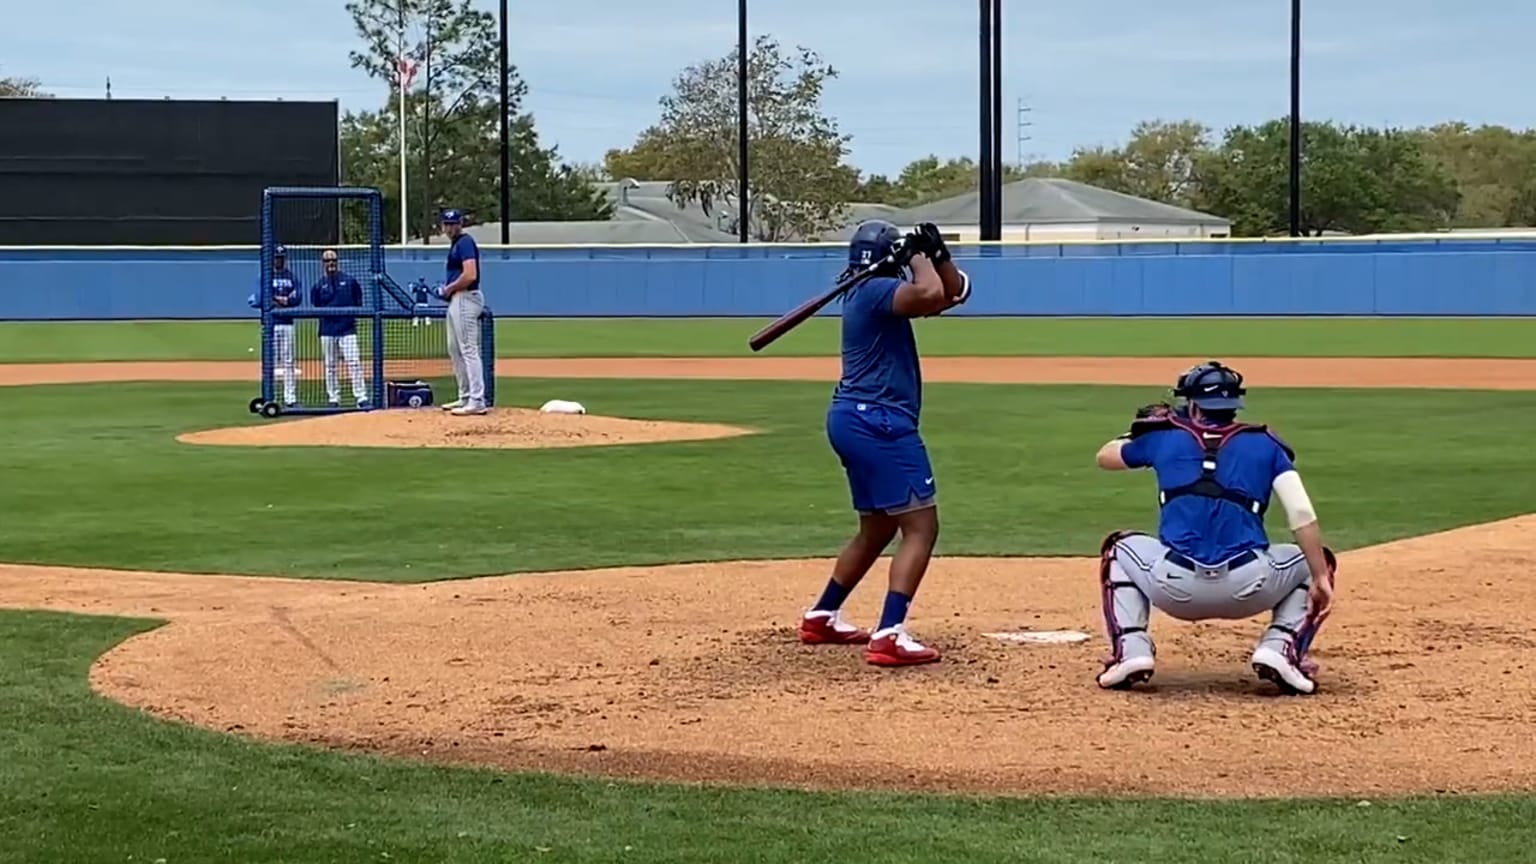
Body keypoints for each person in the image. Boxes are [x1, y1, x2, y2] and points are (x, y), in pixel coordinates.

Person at [1091, 361, 1337, 694]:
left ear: (1192, 403)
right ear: (1235, 406)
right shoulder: (1267, 443)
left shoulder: (1164, 438)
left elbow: (1104, 458)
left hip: (1173, 587)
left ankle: (1131, 651)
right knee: (1316, 560)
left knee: (1118, 549)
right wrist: (1320, 577)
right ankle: (1282, 648)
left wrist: (1139, 433)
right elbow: (1301, 512)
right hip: (1251, 586)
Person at [797, 220, 972, 667]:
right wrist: (915, 257)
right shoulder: (875, 291)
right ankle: (890, 633)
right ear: (888, 257)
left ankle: (822, 615)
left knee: (877, 528)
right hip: (880, 423)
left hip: (853, 419)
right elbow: (931, 294)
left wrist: (937, 254)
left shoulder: (870, 291)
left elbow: (951, 294)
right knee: (921, 526)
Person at [434, 208, 487, 416]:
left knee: (468, 349)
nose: (449, 228)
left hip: (466, 297)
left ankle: (477, 400)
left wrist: (448, 289)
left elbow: (470, 275)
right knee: (454, 349)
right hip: (457, 299)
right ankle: (465, 396)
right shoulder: (456, 244)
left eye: (453, 223)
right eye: (447, 224)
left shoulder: (465, 242)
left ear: (460, 224)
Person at [308, 249, 369, 408]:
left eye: (333, 260)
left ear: (337, 261)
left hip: (347, 330)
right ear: (323, 264)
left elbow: (358, 301)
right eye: (327, 261)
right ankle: (333, 398)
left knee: (354, 362)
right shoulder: (319, 285)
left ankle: (361, 397)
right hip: (327, 330)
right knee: (330, 365)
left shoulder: (350, 281)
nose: (331, 263)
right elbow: (315, 304)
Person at [270, 244, 300, 406]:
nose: (279, 260)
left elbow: (298, 296)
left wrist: (285, 300)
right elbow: (263, 295)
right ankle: (271, 396)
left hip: (288, 322)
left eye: (281, 258)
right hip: (271, 324)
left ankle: (290, 398)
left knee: (289, 361)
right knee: (271, 361)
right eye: (276, 257)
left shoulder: (291, 276)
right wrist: (281, 299)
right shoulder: (267, 276)